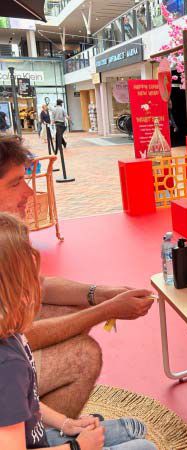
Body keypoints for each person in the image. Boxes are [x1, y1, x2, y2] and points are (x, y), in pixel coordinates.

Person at [0, 136, 154, 419]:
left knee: (76, 308)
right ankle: (40, 437)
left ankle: (36, 415)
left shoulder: (6, 232)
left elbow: (40, 286)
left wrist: (98, 293)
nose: (29, 193)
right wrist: (106, 310)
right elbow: (16, 334)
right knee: (84, 356)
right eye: (15, 183)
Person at [0, 212, 157, 450]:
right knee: (145, 447)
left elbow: (26, 401)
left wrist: (65, 424)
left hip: (32, 437)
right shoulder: (8, 365)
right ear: (18, 289)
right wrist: (78, 447)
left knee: (133, 428)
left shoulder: (11, 335)